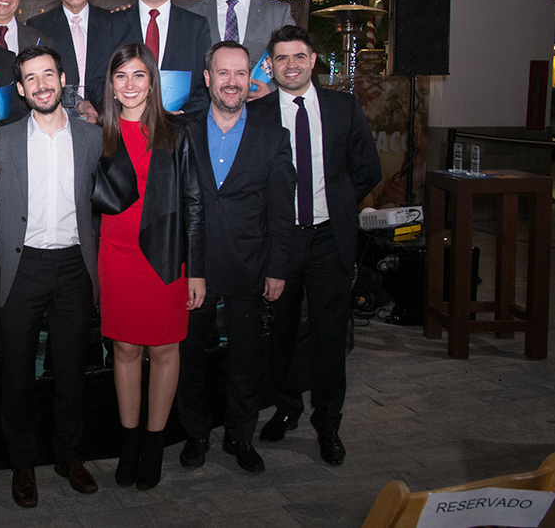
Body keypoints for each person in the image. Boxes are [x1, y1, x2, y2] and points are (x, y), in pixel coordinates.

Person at [252, 25, 381, 466]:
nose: (291, 65)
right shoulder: (260, 113)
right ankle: (286, 408)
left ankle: (328, 424)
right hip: (282, 243)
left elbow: (367, 169)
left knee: (328, 337)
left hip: (329, 238)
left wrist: (340, 205)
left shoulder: (343, 107)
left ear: (312, 61)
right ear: (270, 65)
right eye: (282, 58)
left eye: (299, 57)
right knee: (281, 335)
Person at [175, 40, 295, 475]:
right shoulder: (182, 130)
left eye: (240, 74)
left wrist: (278, 267)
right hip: (194, 269)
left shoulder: (273, 136)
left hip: (250, 266)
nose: (232, 82)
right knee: (188, 357)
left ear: (251, 80)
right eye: (223, 73)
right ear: (208, 78)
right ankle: (195, 433)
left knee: (246, 360)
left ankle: (240, 435)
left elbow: (283, 211)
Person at [0, 45, 102, 508]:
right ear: (20, 89)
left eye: (48, 75)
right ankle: (22, 461)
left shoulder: (92, 138)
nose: (41, 84)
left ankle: (69, 454)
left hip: (76, 265)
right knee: (16, 371)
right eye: (31, 79)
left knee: (71, 370)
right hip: (22, 267)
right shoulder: (2, 139)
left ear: (62, 79)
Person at [93, 42, 205, 491]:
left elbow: (194, 203)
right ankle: (129, 444)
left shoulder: (177, 132)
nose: (130, 84)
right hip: (115, 257)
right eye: (121, 76)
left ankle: (155, 446)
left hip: (164, 258)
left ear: (152, 82)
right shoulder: (98, 132)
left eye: (139, 75)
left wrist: (195, 269)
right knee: (124, 351)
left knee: (163, 351)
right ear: (112, 85)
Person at [108, 0, 213, 114]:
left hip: (179, 129)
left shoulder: (196, 26)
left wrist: (180, 116)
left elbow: (205, 83)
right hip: (124, 129)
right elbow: (99, 81)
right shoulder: (112, 24)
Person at [26, 0, 112, 121]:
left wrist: (98, 108)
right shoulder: (38, 26)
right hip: (58, 120)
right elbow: (37, 79)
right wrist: (77, 104)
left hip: (106, 121)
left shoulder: (111, 22)